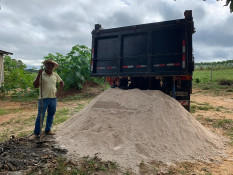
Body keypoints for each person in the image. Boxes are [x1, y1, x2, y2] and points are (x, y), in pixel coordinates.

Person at [29, 59, 64, 141]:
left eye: (51, 65)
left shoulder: (55, 75)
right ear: (45, 66)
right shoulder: (41, 74)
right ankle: (36, 133)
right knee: (40, 116)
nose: (50, 66)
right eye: (48, 65)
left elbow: (61, 83)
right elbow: (35, 85)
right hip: (43, 99)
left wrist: (59, 92)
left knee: (51, 114)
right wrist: (38, 74)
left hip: (53, 98)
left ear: (53, 67)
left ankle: (48, 130)